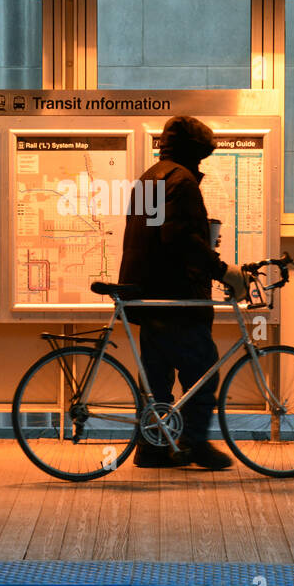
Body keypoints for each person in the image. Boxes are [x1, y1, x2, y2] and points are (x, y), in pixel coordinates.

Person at [118, 115, 247, 470]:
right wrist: (222, 270)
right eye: (202, 155)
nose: (201, 162)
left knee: (156, 377)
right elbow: (179, 240)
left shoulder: (150, 179)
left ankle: (153, 447)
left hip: (147, 296)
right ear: (194, 151)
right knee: (202, 370)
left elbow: (154, 235)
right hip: (177, 297)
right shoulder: (183, 181)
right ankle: (195, 443)